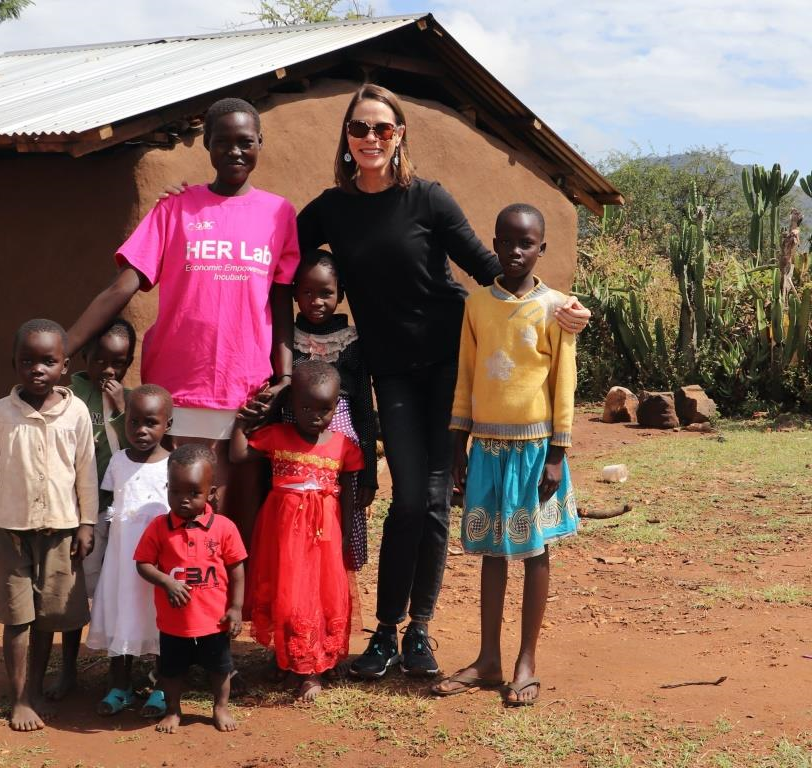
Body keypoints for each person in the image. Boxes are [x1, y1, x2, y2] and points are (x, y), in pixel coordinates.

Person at [160, 84, 590, 679]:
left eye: (383, 129)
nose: (371, 139)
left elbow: (491, 268)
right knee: (409, 497)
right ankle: (385, 632)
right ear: (346, 137)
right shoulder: (333, 209)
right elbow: (268, 245)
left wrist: (559, 306)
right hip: (391, 372)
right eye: (360, 129)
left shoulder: (429, 200)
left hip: (447, 362)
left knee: (435, 501)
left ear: (400, 136)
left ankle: (420, 632)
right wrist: (194, 204)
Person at [65, 97, 300, 542]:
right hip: (177, 382)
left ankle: (220, 611)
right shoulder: (175, 208)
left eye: (245, 142)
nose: (235, 152)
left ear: (260, 144)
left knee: (227, 519)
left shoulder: (278, 213)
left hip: (244, 386)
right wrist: (66, 347)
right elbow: (122, 286)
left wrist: (283, 378)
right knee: (168, 512)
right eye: (223, 142)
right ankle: (159, 610)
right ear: (207, 145)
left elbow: (281, 300)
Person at [432, 204, 578, 705]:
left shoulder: (557, 308)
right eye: (507, 241)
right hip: (487, 448)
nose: (516, 251)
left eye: (527, 243)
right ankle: (489, 658)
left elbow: (564, 383)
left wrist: (559, 451)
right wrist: (459, 443)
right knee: (493, 553)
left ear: (543, 248)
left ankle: (526, 661)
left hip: (537, 449)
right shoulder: (477, 304)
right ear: (493, 243)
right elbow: (467, 376)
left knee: (535, 551)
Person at [0, 318, 98, 731]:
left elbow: (86, 471)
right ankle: (19, 697)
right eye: (27, 361)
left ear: (64, 365)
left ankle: (36, 687)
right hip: (10, 529)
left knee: (47, 618)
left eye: (48, 361)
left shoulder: (76, 412)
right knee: (16, 618)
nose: (37, 369)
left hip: (60, 530)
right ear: (15, 364)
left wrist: (86, 523)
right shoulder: (0, 413)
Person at [230, 360, 364, 702]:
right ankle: (288, 658)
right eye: (306, 407)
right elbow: (238, 455)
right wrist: (242, 424)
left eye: (325, 408)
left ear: (336, 406)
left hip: (325, 537)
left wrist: (347, 535)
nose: (315, 415)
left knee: (318, 596)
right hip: (282, 536)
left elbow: (349, 495)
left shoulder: (343, 445)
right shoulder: (277, 436)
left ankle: (312, 670)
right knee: (287, 596)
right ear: (290, 405)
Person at [50, 317, 135, 702]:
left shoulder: (131, 400)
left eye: (120, 363)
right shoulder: (70, 394)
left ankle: (120, 675)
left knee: (117, 590)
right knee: (72, 591)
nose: (110, 370)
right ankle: (67, 669)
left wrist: (120, 409)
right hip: (76, 511)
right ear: (84, 356)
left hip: (116, 512)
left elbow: (137, 447)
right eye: (101, 361)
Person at [134, 444, 247, 733]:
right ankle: (173, 710)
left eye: (194, 493)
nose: (183, 500)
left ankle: (220, 708)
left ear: (210, 493)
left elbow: (236, 569)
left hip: (214, 622)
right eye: (176, 491)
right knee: (171, 671)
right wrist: (166, 581)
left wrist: (235, 608)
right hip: (174, 624)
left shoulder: (224, 528)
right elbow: (143, 563)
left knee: (220, 669)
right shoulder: (159, 527)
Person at [285, 249, 376, 570]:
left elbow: (364, 407)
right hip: (294, 449)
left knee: (338, 517)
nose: (316, 301)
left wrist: (369, 476)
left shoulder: (351, 343)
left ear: (341, 295)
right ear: (294, 293)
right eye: (307, 292)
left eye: (326, 293)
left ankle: (333, 583)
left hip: (342, 455)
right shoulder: (287, 339)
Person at [86, 384, 173, 718]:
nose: (140, 430)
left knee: (160, 623)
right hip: (122, 564)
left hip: (159, 567)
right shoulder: (119, 461)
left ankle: (162, 689)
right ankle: (120, 687)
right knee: (123, 617)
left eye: (150, 422)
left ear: (168, 423)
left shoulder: (172, 465)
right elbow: (108, 506)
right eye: (133, 422)